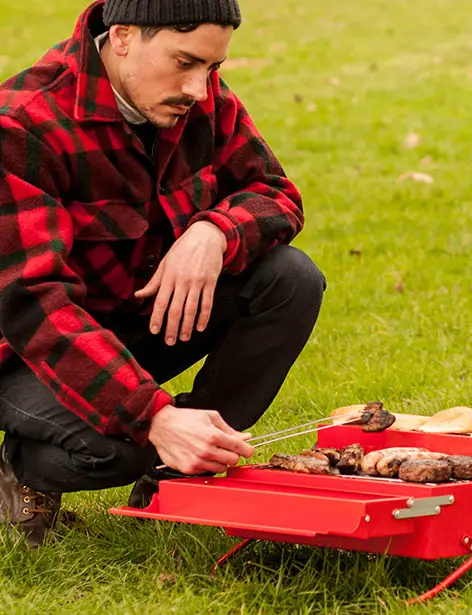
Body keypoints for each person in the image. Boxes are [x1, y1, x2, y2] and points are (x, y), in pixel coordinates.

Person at [0, 0, 325, 547]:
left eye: (213, 69)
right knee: (124, 443)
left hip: (131, 322)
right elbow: (33, 305)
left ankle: (175, 476)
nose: (200, 89)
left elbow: (276, 194)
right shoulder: (22, 124)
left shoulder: (200, 100)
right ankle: (22, 469)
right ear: (123, 37)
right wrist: (152, 415)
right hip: (25, 351)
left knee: (289, 277)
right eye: (185, 63)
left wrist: (214, 231)